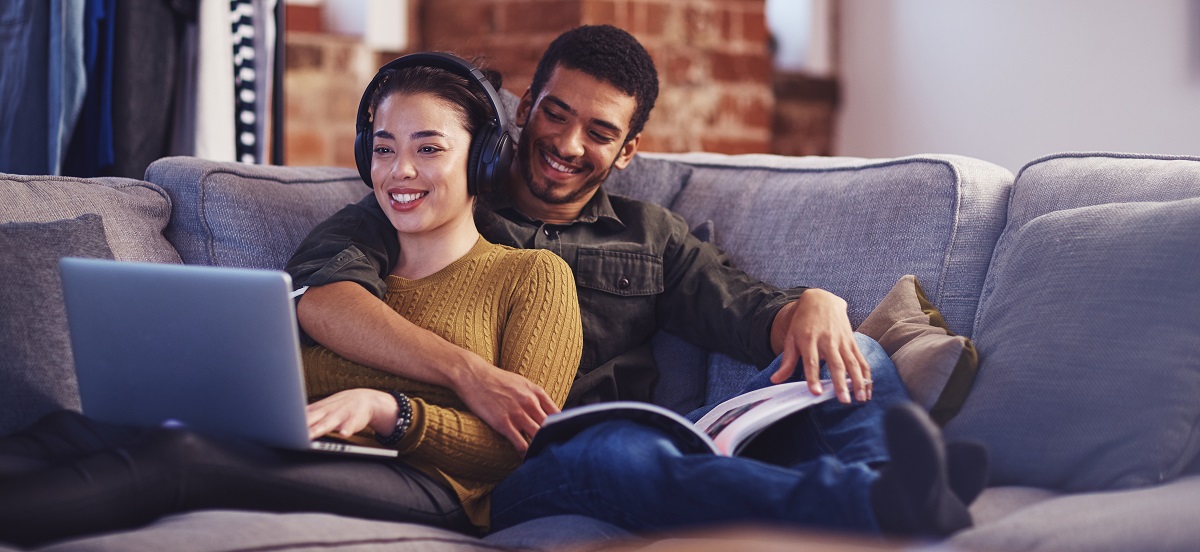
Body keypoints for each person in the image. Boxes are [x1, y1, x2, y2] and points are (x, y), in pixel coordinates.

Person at [285, 24, 986, 538]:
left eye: (598, 131)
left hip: (666, 440)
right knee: (622, 454)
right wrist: (469, 374)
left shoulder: (649, 238)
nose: (566, 144)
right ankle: (887, 501)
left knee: (854, 354)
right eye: (555, 114)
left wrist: (815, 306)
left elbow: (747, 313)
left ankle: (897, 496)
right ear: (525, 109)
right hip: (534, 458)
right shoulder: (441, 196)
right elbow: (323, 296)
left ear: (626, 153)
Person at [0, 55, 582, 548]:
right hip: (299, 444)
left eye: (429, 148)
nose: (399, 171)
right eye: (383, 149)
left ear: (482, 160)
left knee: (183, 458)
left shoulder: (533, 277)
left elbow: (516, 452)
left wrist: (389, 410)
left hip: (432, 483)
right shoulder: (350, 270)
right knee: (72, 431)